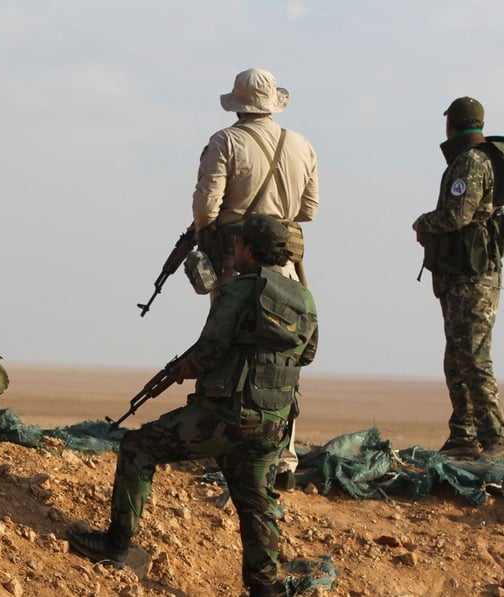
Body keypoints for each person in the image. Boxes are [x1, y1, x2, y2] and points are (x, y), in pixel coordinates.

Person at [70, 214, 319, 597]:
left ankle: (115, 545)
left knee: (139, 447)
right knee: (255, 503)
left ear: (250, 250)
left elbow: (208, 352)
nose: (233, 250)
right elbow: (308, 355)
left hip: (222, 417)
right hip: (273, 425)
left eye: (238, 244)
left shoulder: (238, 291)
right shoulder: (304, 299)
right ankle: (265, 590)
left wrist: (183, 369)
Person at [192, 67, 321, 488]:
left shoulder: (225, 142)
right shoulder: (302, 145)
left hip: (237, 265)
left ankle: (226, 448)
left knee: (228, 354)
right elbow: (309, 210)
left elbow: (206, 211)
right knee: (282, 360)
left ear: (239, 103)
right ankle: (282, 458)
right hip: (285, 268)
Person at [413, 97, 504, 460]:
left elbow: (455, 217)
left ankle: (493, 439)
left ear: (452, 125)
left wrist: (421, 224)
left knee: (474, 358)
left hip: (471, 279)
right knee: (457, 357)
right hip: (463, 275)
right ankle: (463, 437)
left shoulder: (470, 162)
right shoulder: (478, 159)